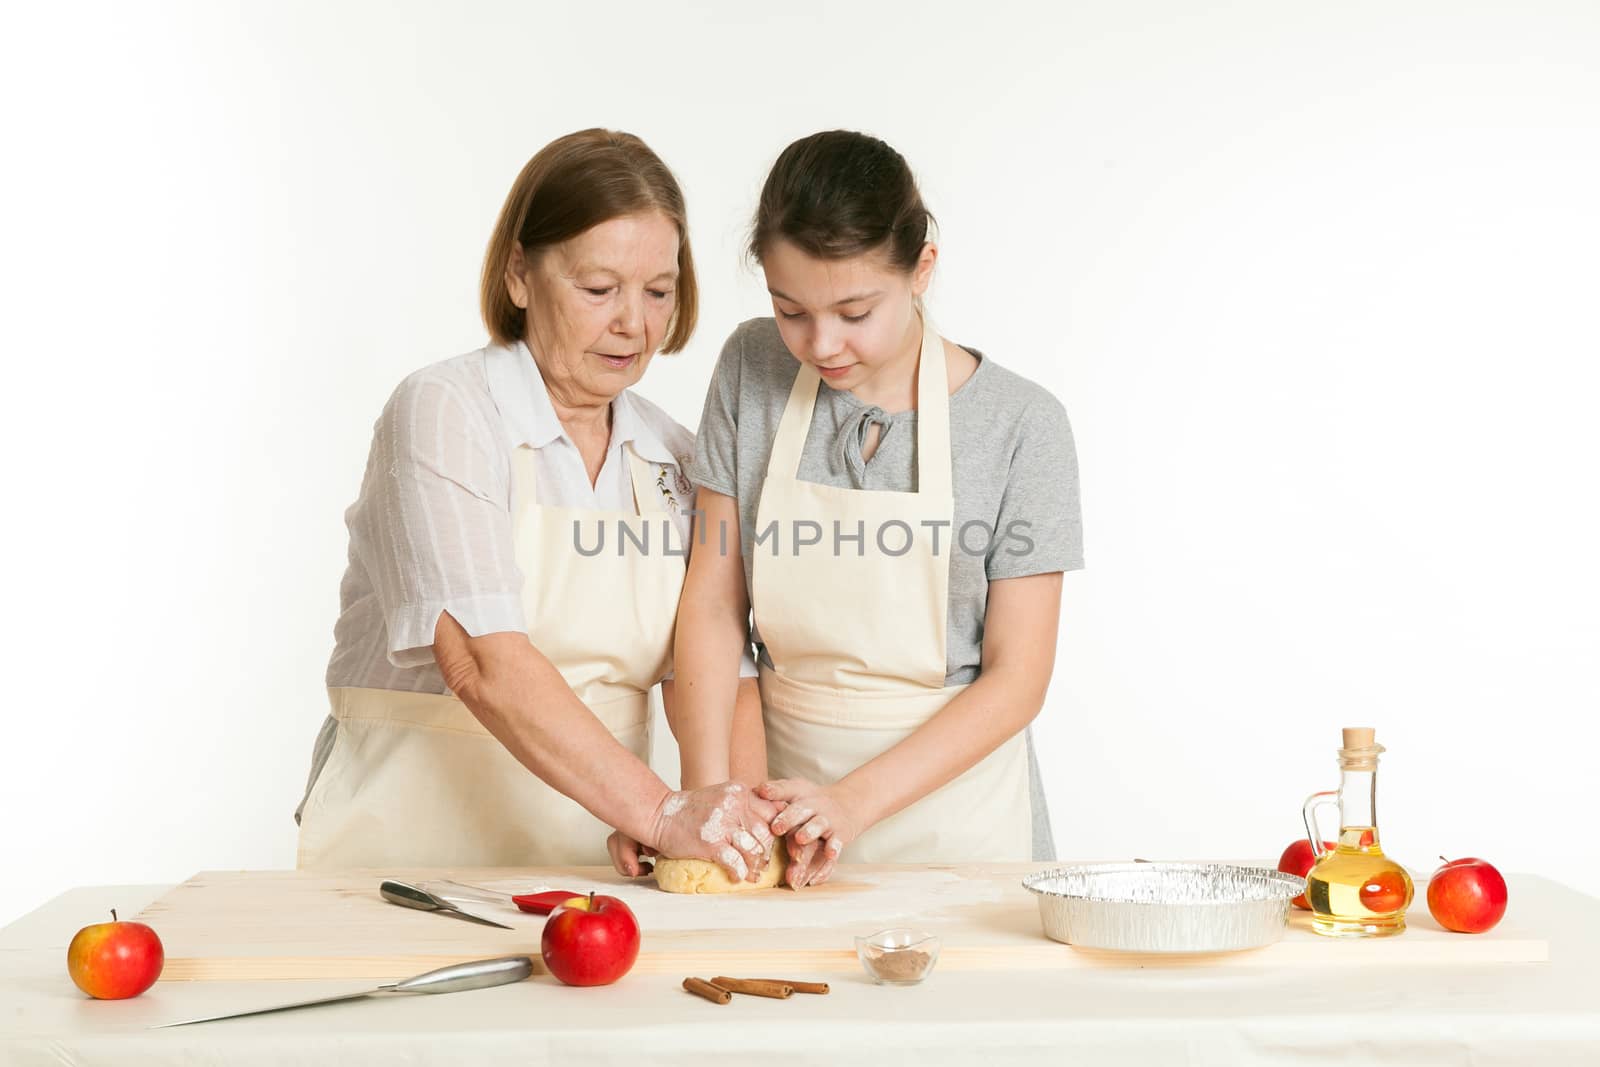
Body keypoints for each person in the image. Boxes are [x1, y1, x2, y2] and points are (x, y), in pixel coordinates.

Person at [294, 129, 777, 881]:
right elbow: (482, 661)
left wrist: (738, 829)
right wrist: (656, 811)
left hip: (595, 877)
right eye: (598, 288)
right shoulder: (447, 410)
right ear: (520, 273)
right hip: (410, 863)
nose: (634, 323)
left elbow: (713, 675)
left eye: (659, 290)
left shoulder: (677, 458)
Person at [664, 130, 1084, 888]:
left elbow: (1018, 677)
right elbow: (712, 604)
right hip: (779, 821)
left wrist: (854, 803)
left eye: (855, 310)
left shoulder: (1022, 426)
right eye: (790, 309)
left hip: (963, 829)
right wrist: (716, 798)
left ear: (922, 268)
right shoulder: (750, 369)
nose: (821, 343)